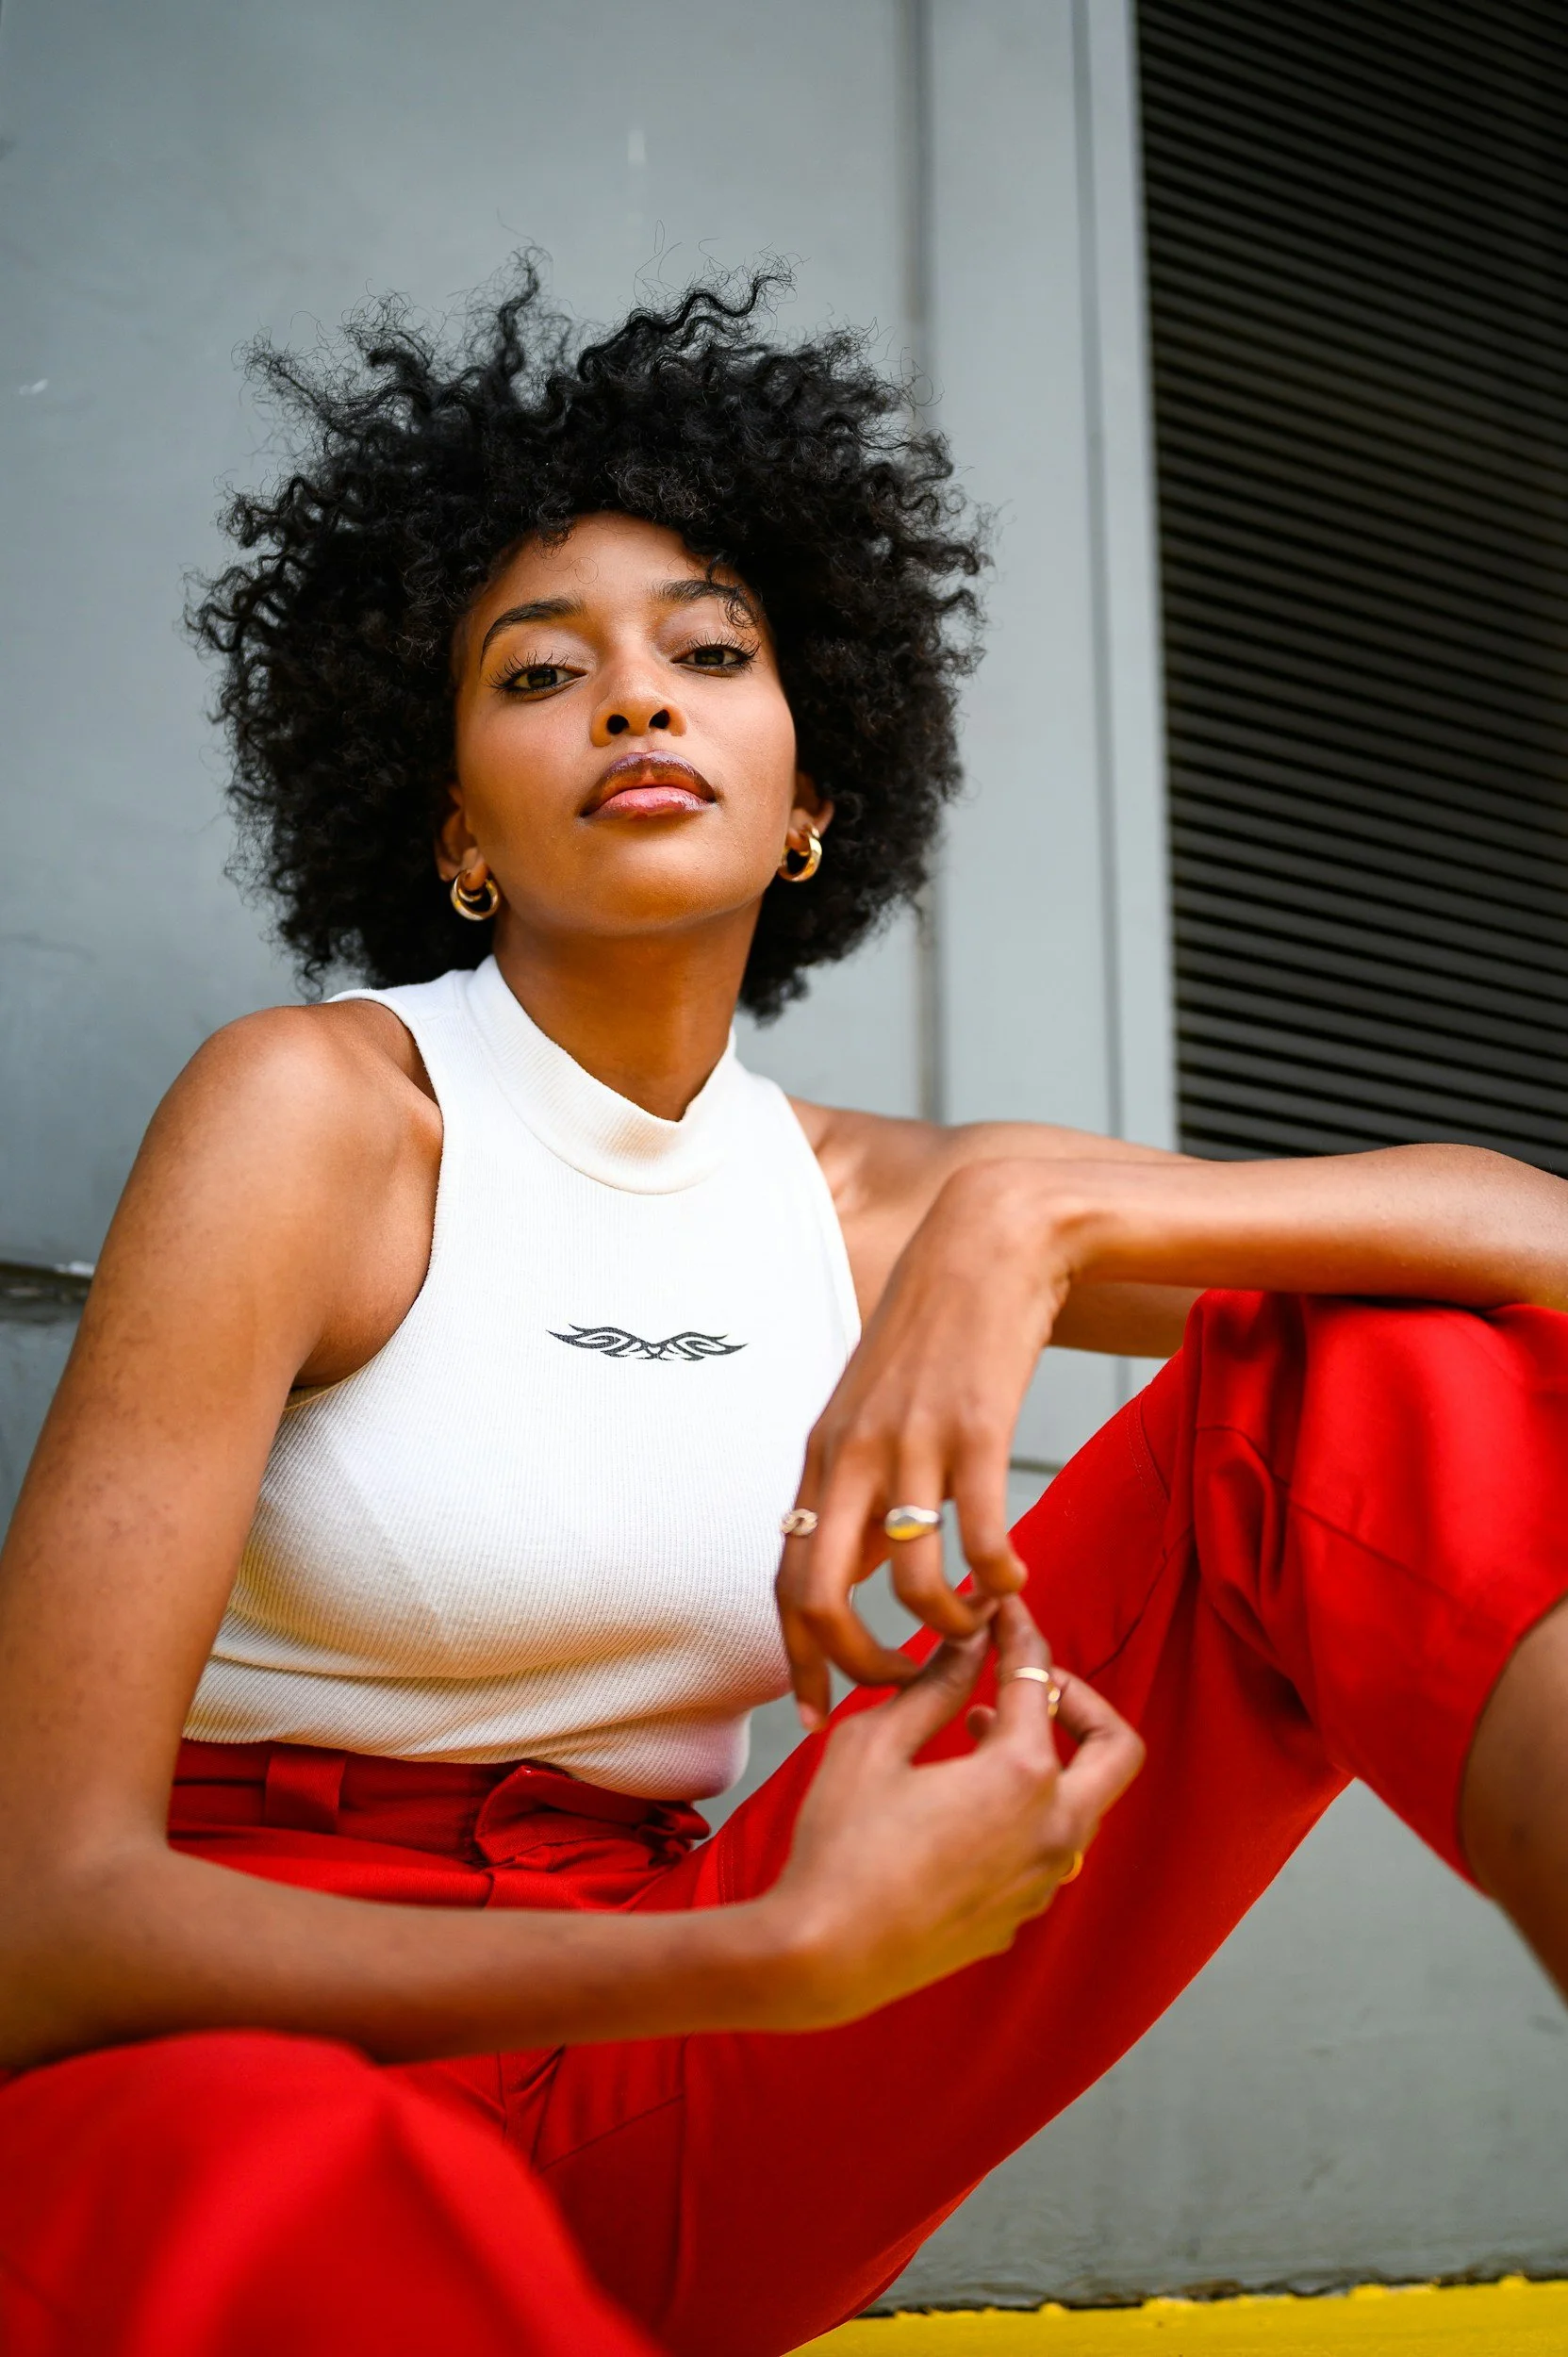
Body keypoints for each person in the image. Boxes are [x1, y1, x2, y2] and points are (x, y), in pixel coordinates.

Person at [2, 271, 1567, 2357]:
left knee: (1363, 1359)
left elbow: (1520, 1234)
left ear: (812, 788)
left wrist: (1030, 1200)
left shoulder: (868, 1200)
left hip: (681, 2017)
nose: (637, 701)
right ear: (455, 821)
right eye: (542, 670)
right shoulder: (322, 1114)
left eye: (711, 652)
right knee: (308, 2196)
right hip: (223, 2057)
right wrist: (765, 1956)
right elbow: (39, 1925)